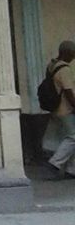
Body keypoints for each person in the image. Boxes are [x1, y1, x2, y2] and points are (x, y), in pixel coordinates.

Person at [42, 41, 75, 177]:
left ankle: (71, 171)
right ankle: (55, 163)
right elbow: (68, 92)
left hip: (55, 108)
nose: (73, 57)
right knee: (73, 138)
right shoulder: (64, 70)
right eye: (73, 54)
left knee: (69, 138)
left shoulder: (52, 65)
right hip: (65, 109)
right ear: (66, 53)